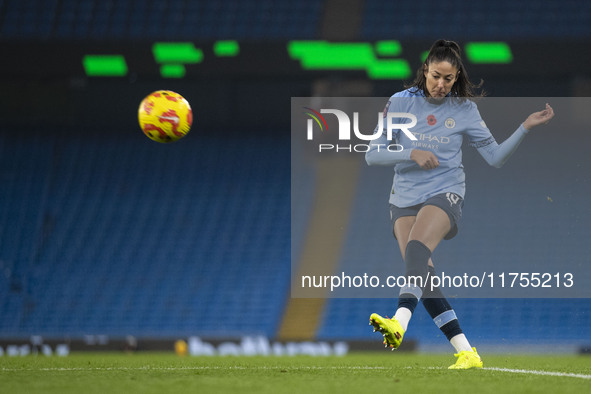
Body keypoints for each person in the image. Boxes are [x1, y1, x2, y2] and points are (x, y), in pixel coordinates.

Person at [366, 39, 554, 369]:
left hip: (445, 191)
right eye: (436, 76)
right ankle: (468, 352)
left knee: (416, 249)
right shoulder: (400, 103)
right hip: (403, 198)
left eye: (448, 79)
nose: (441, 84)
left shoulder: (464, 110)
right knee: (424, 279)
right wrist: (410, 152)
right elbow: (372, 154)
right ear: (425, 70)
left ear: (456, 78)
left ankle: (398, 321)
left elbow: (494, 158)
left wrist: (524, 127)